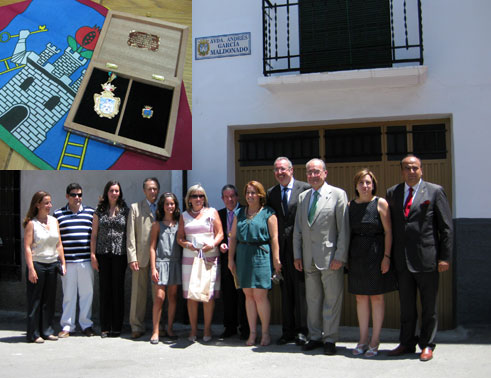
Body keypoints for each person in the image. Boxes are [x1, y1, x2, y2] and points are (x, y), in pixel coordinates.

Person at [386, 155, 453, 362]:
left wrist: (445, 258)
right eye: (407, 168)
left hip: (427, 259)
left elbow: (446, 228)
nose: (411, 171)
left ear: (421, 170)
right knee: (406, 306)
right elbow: (391, 227)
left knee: (429, 306)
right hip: (402, 260)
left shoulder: (434, 192)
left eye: (415, 168)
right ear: (402, 171)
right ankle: (406, 342)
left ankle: (427, 345)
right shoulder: (393, 193)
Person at [293, 158, 349, 355]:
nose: (313, 176)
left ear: (325, 173)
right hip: (308, 259)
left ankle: (330, 339)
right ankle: (315, 336)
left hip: (330, 258)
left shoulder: (337, 194)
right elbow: (298, 229)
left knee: (332, 300)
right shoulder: (303, 197)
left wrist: (340, 256)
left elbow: (344, 229)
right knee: (313, 300)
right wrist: (297, 255)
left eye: (316, 172)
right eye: (309, 172)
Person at [348, 169, 397, 357]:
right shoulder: (350, 205)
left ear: (373, 184)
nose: (365, 186)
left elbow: (389, 232)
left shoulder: (380, 203)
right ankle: (362, 339)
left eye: (368, 182)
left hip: (376, 254)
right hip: (357, 255)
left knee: (376, 297)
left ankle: (375, 340)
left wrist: (386, 256)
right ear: (356, 185)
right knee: (360, 297)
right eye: (361, 183)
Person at [228, 181, 281, 347]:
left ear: (260, 195)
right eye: (248, 193)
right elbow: (234, 237)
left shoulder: (268, 213)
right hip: (243, 256)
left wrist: (276, 259)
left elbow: (274, 238)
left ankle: (265, 333)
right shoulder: (239, 213)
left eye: (253, 193)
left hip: (261, 255)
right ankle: (252, 333)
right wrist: (231, 259)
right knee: (248, 296)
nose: (250, 196)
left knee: (260, 296)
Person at [266, 157, 310, 345]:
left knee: (301, 290)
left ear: (291, 170)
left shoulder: (305, 188)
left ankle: (303, 330)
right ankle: (287, 331)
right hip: (281, 249)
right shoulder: (272, 193)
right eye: (276, 170)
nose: (280, 173)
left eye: (283, 169)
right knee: (285, 292)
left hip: (300, 248)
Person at [177, 184, 223, 342]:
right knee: (192, 295)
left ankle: (208, 330)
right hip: (190, 259)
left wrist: (213, 244)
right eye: (195, 196)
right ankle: (193, 330)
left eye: (201, 196)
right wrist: (187, 244)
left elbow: (220, 233)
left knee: (207, 294)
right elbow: (180, 237)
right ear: (189, 199)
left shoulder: (212, 212)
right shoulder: (184, 215)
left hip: (209, 257)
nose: (198, 199)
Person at [23, 191, 66, 343]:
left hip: (52, 264)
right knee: (35, 300)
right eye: (46, 203)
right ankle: (33, 333)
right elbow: (27, 247)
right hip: (38, 264)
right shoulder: (31, 224)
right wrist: (31, 268)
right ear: (38, 205)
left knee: (49, 300)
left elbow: (58, 244)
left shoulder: (54, 221)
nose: (49, 206)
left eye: (50, 202)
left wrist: (63, 262)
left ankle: (47, 330)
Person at [54, 183, 95, 338]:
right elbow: (56, 239)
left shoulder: (91, 212)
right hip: (68, 261)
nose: (77, 198)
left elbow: (94, 236)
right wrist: (60, 261)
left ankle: (86, 324)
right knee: (68, 295)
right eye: (73, 195)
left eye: (79, 194)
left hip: (85, 261)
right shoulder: (58, 214)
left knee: (87, 294)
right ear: (67, 196)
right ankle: (67, 326)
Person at [90, 180, 129, 338]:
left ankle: (117, 326)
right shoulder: (99, 210)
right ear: (107, 192)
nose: (114, 193)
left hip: (120, 255)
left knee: (118, 290)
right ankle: (105, 326)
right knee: (105, 290)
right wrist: (93, 255)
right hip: (103, 254)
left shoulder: (125, 210)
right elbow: (94, 235)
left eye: (117, 191)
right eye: (112, 190)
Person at [127, 178, 160, 339]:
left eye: (155, 189)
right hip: (140, 257)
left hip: (158, 258)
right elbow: (131, 235)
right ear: (144, 190)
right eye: (149, 189)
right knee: (137, 293)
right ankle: (136, 326)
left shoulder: (163, 207)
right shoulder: (135, 208)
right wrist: (132, 257)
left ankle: (157, 326)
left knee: (157, 294)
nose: (153, 192)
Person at [149, 192, 182, 344]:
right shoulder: (157, 225)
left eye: (172, 203)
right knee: (159, 297)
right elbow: (152, 247)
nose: (170, 206)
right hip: (161, 263)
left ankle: (169, 328)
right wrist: (153, 268)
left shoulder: (179, 223)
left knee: (173, 297)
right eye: (167, 204)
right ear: (162, 206)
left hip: (175, 263)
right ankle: (155, 331)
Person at [218, 184, 249, 340]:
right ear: (222, 199)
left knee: (244, 295)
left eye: (232, 196)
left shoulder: (245, 212)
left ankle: (245, 328)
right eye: (226, 197)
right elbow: (215, 235)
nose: (229, 199)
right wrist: (220, 244)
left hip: (242, 258)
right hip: (225, 259)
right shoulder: (219, 214)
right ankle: (229, 327)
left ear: (237, 197)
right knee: (228, 294)